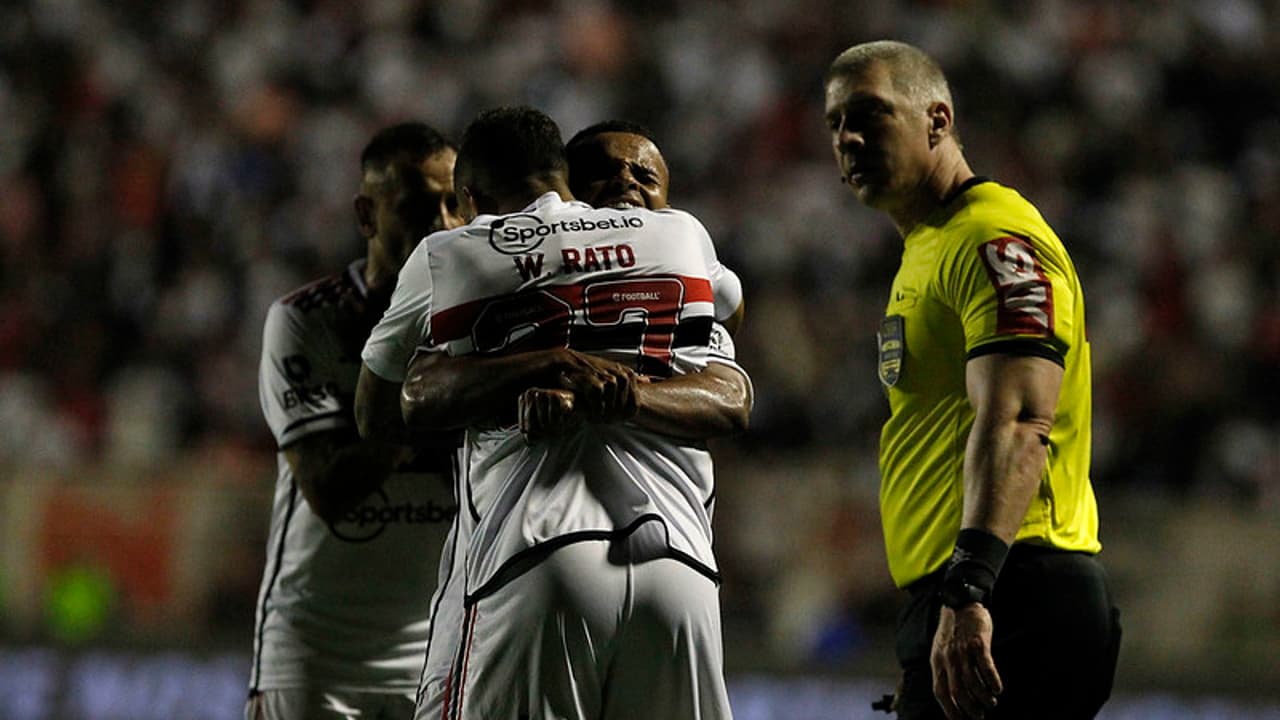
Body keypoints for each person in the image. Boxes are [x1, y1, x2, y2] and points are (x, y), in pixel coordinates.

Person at [358, 105, 749, 720]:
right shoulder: (681, 236)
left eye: (643, 177)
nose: (628, 188)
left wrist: (540, 368)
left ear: (468, 197)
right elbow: (731, 325)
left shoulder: (453, 251)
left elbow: (384, 410)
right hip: (683, 573)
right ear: (565, 178)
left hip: (537, 552)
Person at [823, 41, 1121, 719]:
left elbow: (1020, 421)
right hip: (973, 593)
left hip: (1013, 587)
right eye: (836, 123)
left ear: (936, 120)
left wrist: (968, 594)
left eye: (869, 114)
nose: (849, 138)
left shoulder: (993, 239)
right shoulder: (929, 246)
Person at [248, 122, 464, 720]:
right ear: (367, 215)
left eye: (455, 205)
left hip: (440, 659)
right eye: (419, 208)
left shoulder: (482, 330)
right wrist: (429, 391)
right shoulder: (305, 322)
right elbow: (327, 486)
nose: (443, 226)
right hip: (317, 663)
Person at [565, 119, 744, 334]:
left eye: (644, 177)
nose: (625, 180)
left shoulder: (686, 240)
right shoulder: (533, 249)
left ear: (667, 206)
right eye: (602, 173)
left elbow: (730, 314)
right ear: (563, 192)